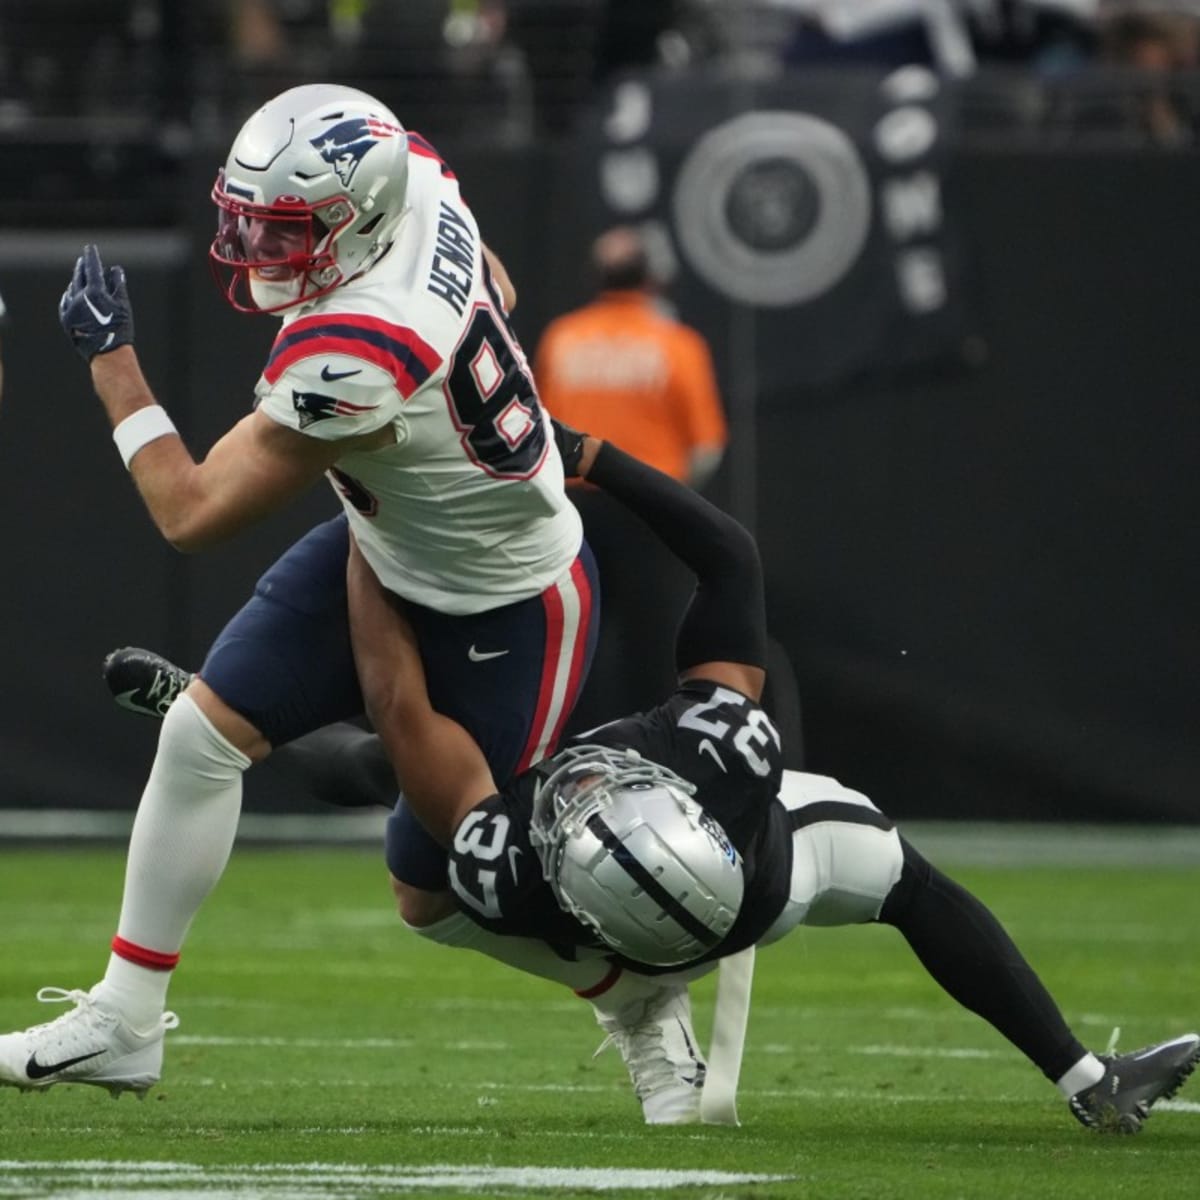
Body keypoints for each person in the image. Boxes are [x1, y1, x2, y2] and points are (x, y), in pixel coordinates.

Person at [100, 423, 1200, 1133]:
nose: (574, 786)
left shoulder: (523, 865)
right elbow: (732, 558)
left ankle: (630, 1006)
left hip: (635, 916)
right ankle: (1088, 1085)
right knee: (909, 882)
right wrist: (589, 459)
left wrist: (373, 538)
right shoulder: (728, 754)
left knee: (415, 848)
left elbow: (400, 715)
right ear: (669, 789)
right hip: (778, 868)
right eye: (593, 791)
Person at [0, 83, 603, 1099]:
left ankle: (628, 989)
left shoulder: (359, 347)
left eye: (281, 234)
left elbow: (189, 513)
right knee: (200, 735)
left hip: (507, 597)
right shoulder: (411, 180)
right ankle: (126, 1019)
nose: (253, 252)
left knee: (440, 892)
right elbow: (489, 274)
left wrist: (110, 361)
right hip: (389, 534)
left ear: (353, 222)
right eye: (246, 221)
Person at [533, 225, 727, 489]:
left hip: (573, 503)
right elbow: (706, 448)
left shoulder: (561, 337)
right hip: (651, 498)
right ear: (650, 277)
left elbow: (536, 428)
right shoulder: (678, 344)